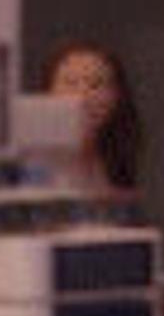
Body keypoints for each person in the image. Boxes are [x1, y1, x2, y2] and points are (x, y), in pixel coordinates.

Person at [41, 39, 141, 198]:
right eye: (70, 83)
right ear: (48, 94)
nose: (83, 95)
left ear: (116, 96)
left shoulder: (115, 159)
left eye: (96, 84)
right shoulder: (33, 161)